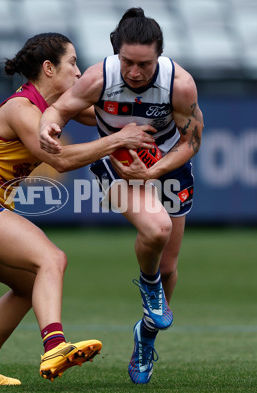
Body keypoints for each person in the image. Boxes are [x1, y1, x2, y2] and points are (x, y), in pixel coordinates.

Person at [0, 32, 156, 386]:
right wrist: (118, 140)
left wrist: (155, 113)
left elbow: (103, 113)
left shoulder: (53, 108)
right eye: (72, 63)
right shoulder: (21, 109)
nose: (79, 70)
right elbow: (63, 159)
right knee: (51, 259)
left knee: (29, 286)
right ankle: (54, 346)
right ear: (49, 68)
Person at [39, 8, 204, 384]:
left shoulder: (179, 84)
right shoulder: (100, 77)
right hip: (115, 165)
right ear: (117, 55)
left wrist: (156, 169)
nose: (134, 72)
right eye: (128, 61)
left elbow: (193, 139)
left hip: (165, 167)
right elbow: (58, 110)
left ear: (159, 56)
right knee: (157, 230)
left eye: (144, 64)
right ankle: (148, 287)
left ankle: (145, 336)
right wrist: (49, 128)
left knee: (169, 270)